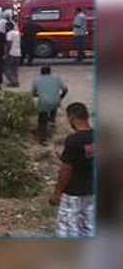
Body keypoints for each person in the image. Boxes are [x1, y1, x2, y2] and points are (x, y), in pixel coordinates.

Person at [49, 102, 94, 237]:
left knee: (67, 229)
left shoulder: (73, 140)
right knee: (89, 227)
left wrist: (57, 193)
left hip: (73, 193)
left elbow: (66, 170)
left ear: (71, 119)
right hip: (92, 192)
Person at [32, 66, 69, 144]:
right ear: (50, 72)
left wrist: (39, 94)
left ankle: (43, 139)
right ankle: (52, 123)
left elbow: (32, 93)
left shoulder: (36, 80)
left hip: (44, 102)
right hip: (56, 101)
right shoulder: (57, 79)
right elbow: (65, 89)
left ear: (41, 73)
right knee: (53, 106)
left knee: (42, 120)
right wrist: (60, 98)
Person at [4, 22, 21, 87]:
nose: (5, 28)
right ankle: (16, 81)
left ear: (8, 27)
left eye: (6, 26)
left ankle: (13, 82)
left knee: (6, 68)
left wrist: (6, 53)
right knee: (15, 69)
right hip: (18, 52)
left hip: (11, 53)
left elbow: (9, 44)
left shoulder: (9, 33)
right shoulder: (17, 32)